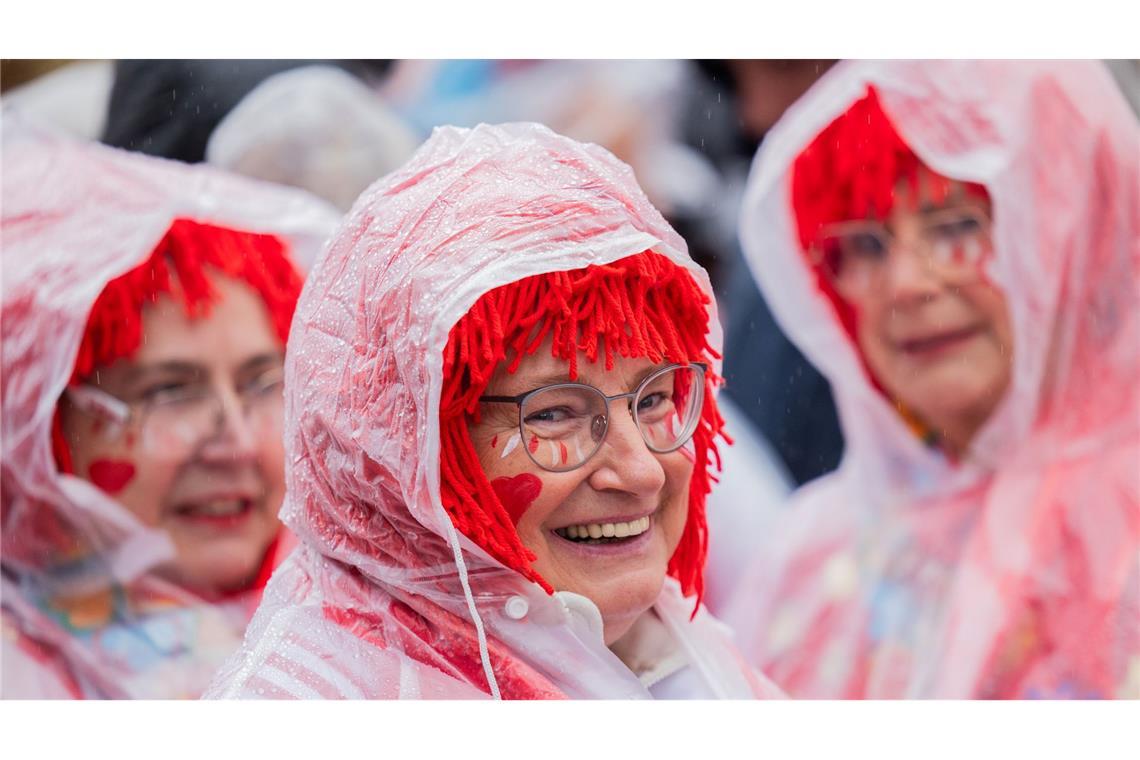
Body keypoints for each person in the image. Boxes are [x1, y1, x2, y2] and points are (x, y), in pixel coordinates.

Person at [206, 122, 783, 699]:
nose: (642, 471)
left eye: (654, 399)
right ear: (399, 459)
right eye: (555, 414)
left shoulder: (688, 661)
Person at [726, 60, 1139, 698]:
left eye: (957, 228)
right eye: (864, 247)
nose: (909, 285)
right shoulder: (809, 555)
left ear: (1065, 237)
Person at [0, 119, 339, 698]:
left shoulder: (384, 628)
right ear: (38, 419)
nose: (236, 442)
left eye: (263, 382)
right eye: (169, 392)